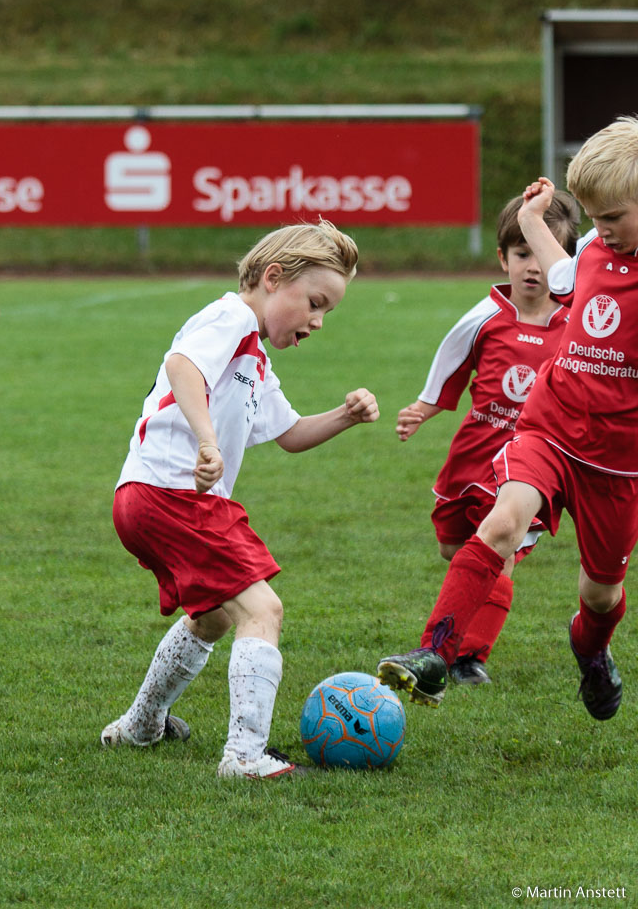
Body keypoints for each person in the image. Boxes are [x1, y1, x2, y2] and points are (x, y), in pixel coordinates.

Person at [378, 114, 638, 721]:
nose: (598, 231)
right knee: (499, 524)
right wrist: (529, 215)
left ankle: (592, 651)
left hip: (618, 464)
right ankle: (433, 655)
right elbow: (563, 269)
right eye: (593, 218)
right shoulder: (597, 251)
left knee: (601, 595)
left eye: (613, 218)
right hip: (549, 429)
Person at [101, 218, 379, 778]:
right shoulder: (229, 317)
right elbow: (184, 366)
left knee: (212, 618)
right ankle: (245, 756)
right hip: (174, 492)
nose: (319, 321)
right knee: (262, 610)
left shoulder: (254, 359)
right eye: (315, 303)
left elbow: (291, 433)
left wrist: (345, 416)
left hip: (149, 496)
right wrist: (207, 441)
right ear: (274, 278)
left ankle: (141, 724)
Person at [395, 191, 579, 686]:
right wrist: (424, 407)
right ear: (503, 257)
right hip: (473, 455)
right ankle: (460, 626)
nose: (533, 267)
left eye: (542, 254)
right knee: (455, 550)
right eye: (522, 254)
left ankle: (467, 657)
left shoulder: (576, 325)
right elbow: (451, 365)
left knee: (502, 548)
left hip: (533, 464)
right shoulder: (484, 317)